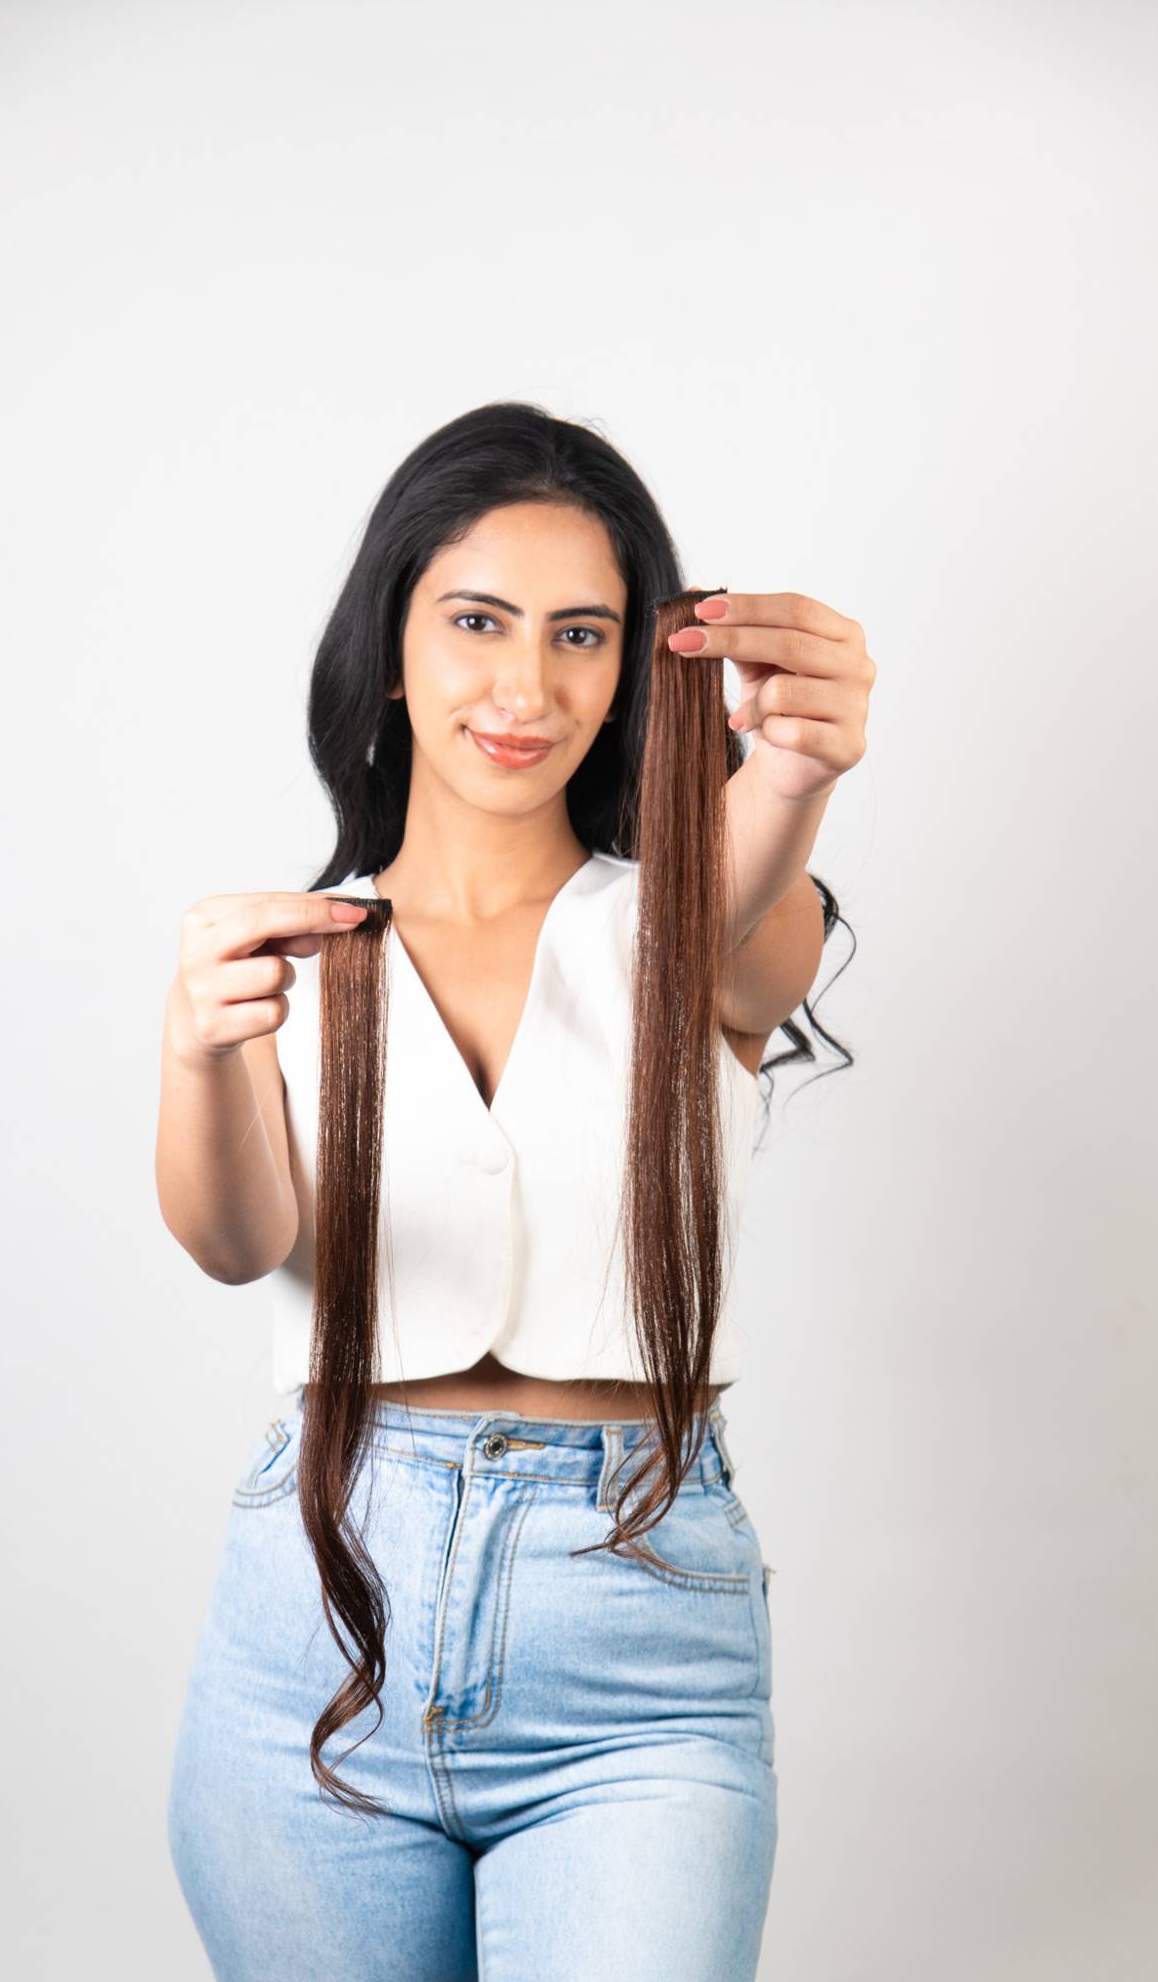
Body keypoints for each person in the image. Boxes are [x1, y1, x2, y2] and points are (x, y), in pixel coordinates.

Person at [155, 401, 870, 1980]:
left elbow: (742, 897)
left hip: (633, 1646)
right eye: (477, 621)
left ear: (629, 671)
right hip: (316, 1626)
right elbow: (237, 1244)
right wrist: (200, 1048)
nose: (526, 687)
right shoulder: (292, 953)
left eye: (580, 635)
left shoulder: (695, 923)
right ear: (390, 644)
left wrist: (795, 766)